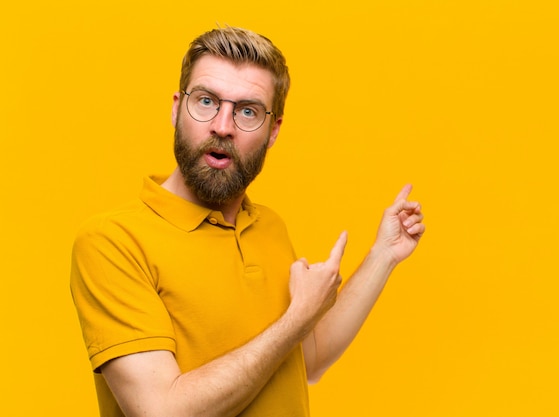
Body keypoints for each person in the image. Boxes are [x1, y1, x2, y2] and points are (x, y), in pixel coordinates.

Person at [70, 26, 425, 417]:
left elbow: (309, 360)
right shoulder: (113, 242)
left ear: (273, 131)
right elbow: (162, 411)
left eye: (247, 111)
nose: (222, 126)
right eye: (206, 101)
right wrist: (297, 319)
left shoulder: (269, 227)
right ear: (176, 107)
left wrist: (383, 255)